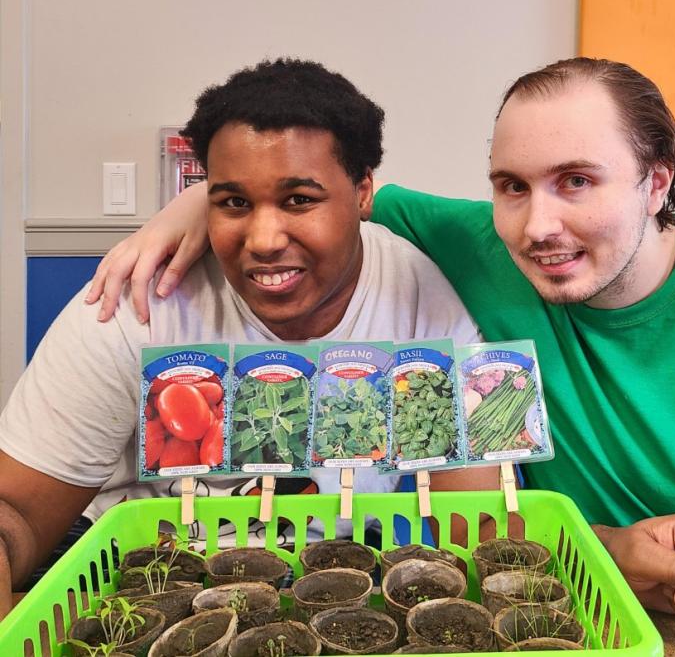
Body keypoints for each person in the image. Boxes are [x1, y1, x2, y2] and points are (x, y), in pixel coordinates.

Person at [87, 58, 675, 643]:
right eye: (510, 184)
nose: (536, 223)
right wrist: (189, 202)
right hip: (559, 605)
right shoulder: (472, 238)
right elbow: (313, 192)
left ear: (657, 181)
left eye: (576, 181)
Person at [0, 58, 484, 619]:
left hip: (335, 581)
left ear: (362, 192)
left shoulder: (422, 298)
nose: (263, 238)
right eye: (234, 203)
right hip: (142, 578)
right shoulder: (135, 306)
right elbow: (14, 510)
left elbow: (472, 512)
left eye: (299, 200)